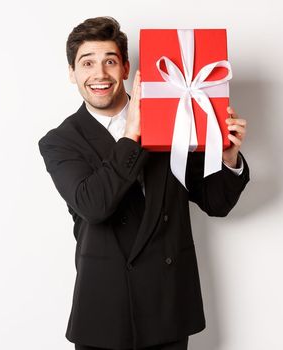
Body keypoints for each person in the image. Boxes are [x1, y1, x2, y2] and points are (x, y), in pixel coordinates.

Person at [38, 17, 250, 350]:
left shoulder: (172, 122)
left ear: (125, 67)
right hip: (104, 312)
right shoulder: (60, 142)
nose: (100, 74)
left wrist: (227, 157)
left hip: (168, 306)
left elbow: (216, 203)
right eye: (87, 63)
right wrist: (133, 134)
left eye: (109, 61)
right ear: (72, 73)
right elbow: (94, 205)